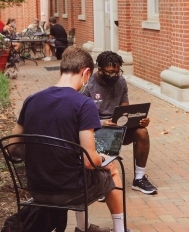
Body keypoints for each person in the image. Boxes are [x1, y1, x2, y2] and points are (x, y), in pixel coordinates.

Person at [10, 47, 130, 232]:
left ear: (61, 70)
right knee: (112, 167)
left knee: (79, 165)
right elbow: (89, 161)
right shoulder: (83, 104)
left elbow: (13, 149)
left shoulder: (31, 100)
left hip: (36, 187)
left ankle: (84, 227)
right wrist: (102, 159)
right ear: (86, 73)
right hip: (70, 191)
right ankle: (120, 229)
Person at [83, 51, 158, 195]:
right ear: (100, 70)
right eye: (110, 72)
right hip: (98, 128)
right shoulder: (88, 86)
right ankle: (100, 183)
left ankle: (139, 179)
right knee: (105, 136)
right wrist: (103, 123)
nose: (115, 75)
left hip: (118, 126)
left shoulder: (121, 81)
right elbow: (82, 118)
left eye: (117, 71)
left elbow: (125, 108)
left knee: (142, 132)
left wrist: (138, 120)